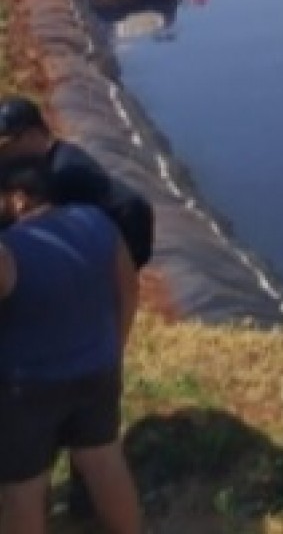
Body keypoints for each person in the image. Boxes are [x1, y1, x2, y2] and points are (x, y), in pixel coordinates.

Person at [0, 160, 143, 534]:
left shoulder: (11, 250)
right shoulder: (96, 222)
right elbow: (128, 289)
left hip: (27, 386)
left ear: (18, 199)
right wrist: (114, 349)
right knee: (104, 462)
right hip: (97, 369)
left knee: (23, 490)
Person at [0, 99, 154, 273]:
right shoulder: (54, 159)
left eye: (7, 146)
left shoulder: (63, 174)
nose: (4, 154)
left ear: (33, 136)